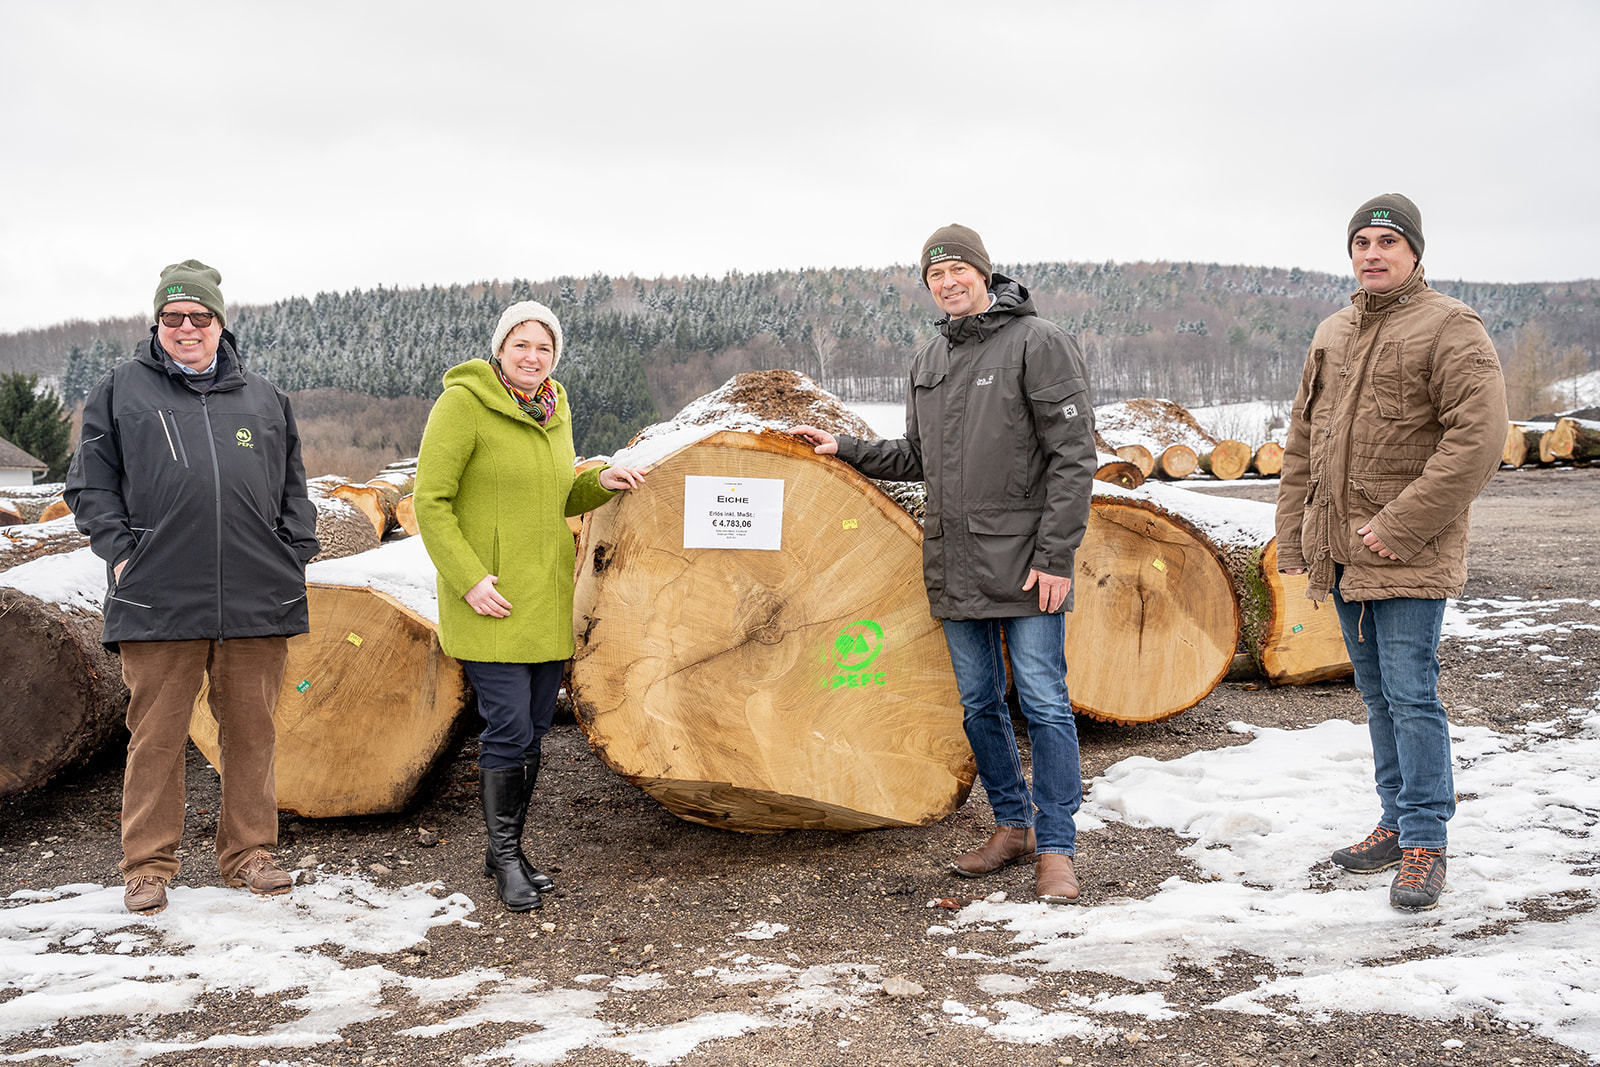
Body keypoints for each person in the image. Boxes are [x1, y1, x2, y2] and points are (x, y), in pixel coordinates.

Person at [794, 224, 1097, 905]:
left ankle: (1057, 846)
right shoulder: (930, 355)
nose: (948, 281)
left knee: (1046, 703)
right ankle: (1012, 825)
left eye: (959, 269)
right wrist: (842, 447)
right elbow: (917, 456)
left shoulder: (1037, 342)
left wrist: (1056, 556)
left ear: (985, 273)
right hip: (957, 560)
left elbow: (1075, 456)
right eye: (936, 274)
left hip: (1025, 562)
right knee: (978, 703)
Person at [65, 259, 319, 915]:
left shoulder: (263, 399)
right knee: (156, 737)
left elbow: (295, 489)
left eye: (198, 317)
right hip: (158, 596)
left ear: (219, 324)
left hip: (256, 596)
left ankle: (250, 854)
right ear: (157, 323)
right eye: (173, 316)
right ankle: (148, 866)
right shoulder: (120, 391)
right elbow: (90, 487)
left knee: (253, 732)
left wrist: (291, 553)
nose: (186, 327)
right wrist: (124, 555)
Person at [1276, 194, 1507, 911]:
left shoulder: (1450, 327)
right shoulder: (1333, 331)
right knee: (1376, 695)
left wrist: (1400, 526)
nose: (1372, 254)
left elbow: (1479, 440)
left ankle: (1426, 840)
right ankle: (1395, 818)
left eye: (1387, 242)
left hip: (1406, 552)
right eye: (1361, 243)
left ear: (1414, 252)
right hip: (1340, 552)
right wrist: (1294, 534)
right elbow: (1302, 442)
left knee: (1411, 695)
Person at [414, 300, 645, 912]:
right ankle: (507, 859)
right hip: (489, 598)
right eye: (521, 345)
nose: (532, 357)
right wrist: (467, 579)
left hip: (544, 595)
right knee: (509, 726)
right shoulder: (463, 404)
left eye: (544, 348)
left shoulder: (554, 409)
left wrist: (602, 481)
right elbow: (430, 501)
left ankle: (504, 847)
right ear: (500, 348)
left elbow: (556, 492)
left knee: (536, 728)